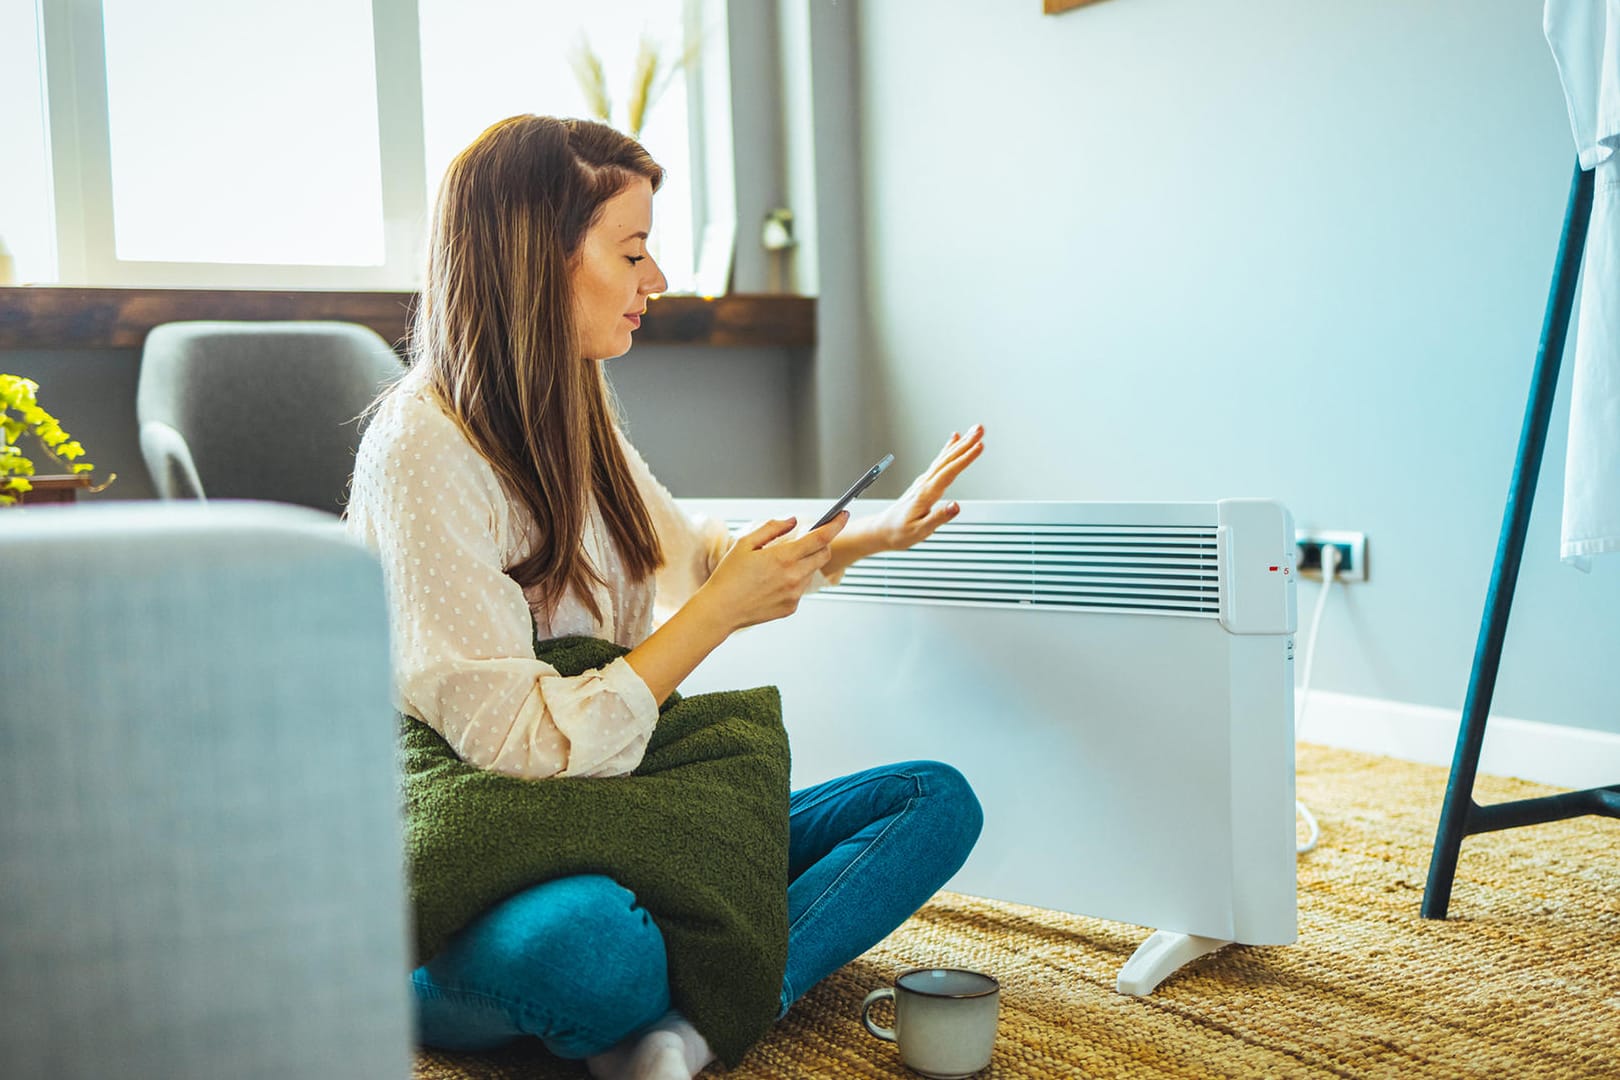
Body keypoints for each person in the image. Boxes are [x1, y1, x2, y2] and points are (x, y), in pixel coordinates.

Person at [345, 115, 986, 1080]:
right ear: (534, 259)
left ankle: (685, 1035)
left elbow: (691, 554)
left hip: (615, 801)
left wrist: (875, 531)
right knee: (594, 949)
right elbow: (516, 749)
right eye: (633, 250)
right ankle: (400, 980)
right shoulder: (421, 449)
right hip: (480, 822)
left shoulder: (577, 405)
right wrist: (718, 614)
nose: (658, 279)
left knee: (933, 801)